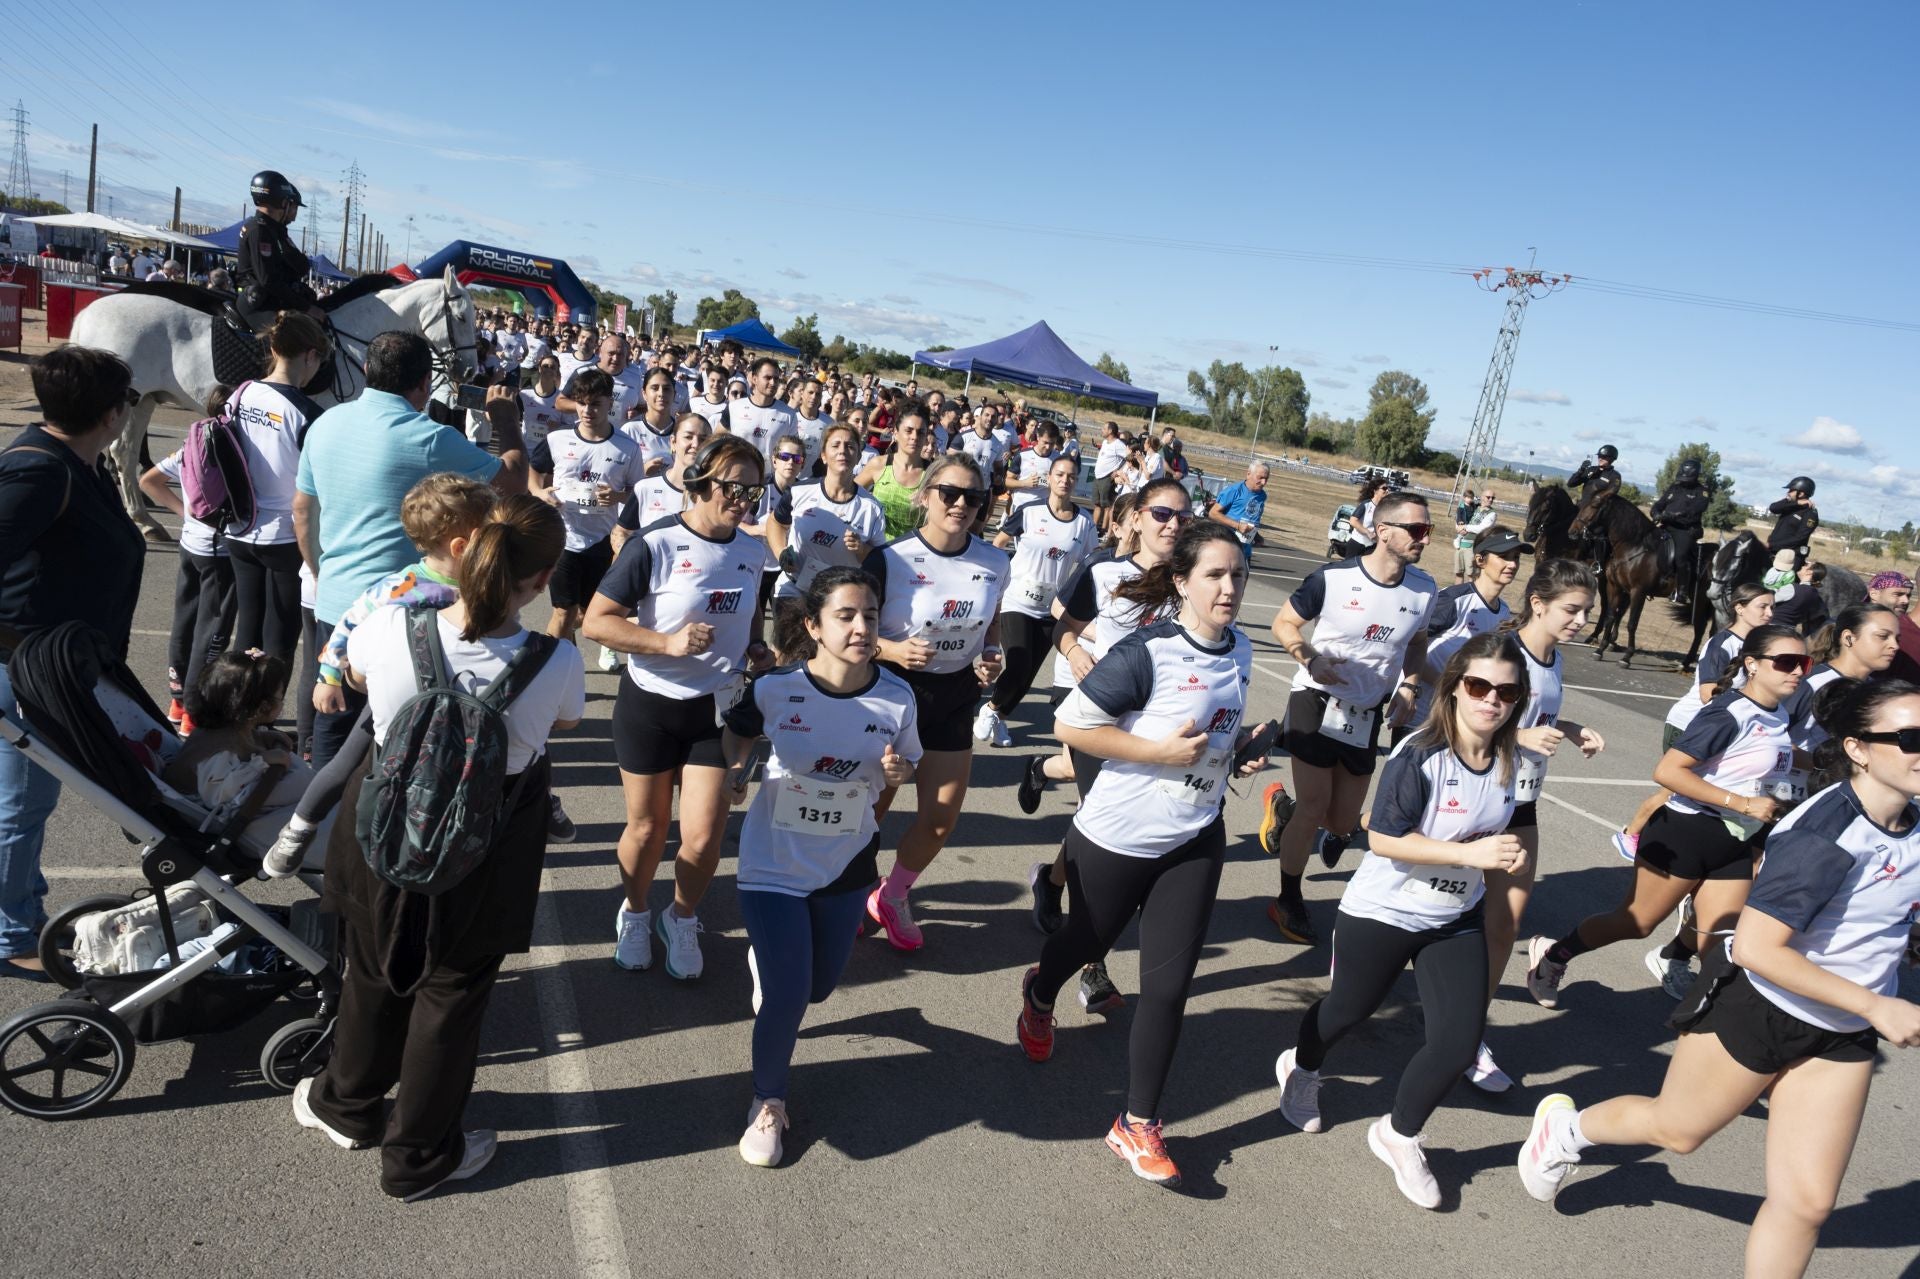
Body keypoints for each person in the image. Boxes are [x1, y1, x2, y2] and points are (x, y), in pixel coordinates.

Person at [1519, 680, 1920, 1279]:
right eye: (1912, 738)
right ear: (1859, 749)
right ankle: (1566, 1129)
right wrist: (1878, 1005)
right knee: (1677, 1131)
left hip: (1840, 1031)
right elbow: (1758, 947)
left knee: (1808, 1204)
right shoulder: (1825, 833)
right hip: (1760, 1006)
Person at [296, 495, 582, 1202]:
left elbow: (357, 682)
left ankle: (346, 1103)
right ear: (542, 580)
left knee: (369, 967)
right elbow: (565, 721)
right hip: (485, 846)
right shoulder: (557, 662)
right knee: (451, 996)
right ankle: (418, 1155)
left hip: (382, 831)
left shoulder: (392, 625)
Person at [1017, 521, 1267, 1187]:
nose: (1229, 586)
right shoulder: (1148, 651)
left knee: (1168, 986)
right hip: (1120, 834)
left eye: (1238, 574)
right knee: (1082, 941)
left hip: (1195, 834)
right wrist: (1157, 753)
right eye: (1214, 574)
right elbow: (1070, 726)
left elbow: (1211, 735)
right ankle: (1039, 991)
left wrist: (1240, 752)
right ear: (1181, 581)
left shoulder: (1241, 649)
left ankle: (1137, 1122)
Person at [1274, 632, 1530, 1208]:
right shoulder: (1420, 753)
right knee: (1348, 1009)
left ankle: (1399, 1134)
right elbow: (1384, 837)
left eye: (1507, 692)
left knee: (1458, 1041)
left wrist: (1504, 851)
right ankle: (1303, 1066)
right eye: (1479, 685)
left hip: (1453, 915)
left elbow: (1500, 825)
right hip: (1385, 909)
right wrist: (1472, 855)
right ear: (1456, 688)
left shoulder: (1515, 758)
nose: (1492, 699)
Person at [720, 567, 921, 1168]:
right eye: (845, 616)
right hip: (771, 863)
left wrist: (896, 777)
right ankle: (769, 1102)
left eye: (869, 615)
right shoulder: (777, 688)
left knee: (818, 988)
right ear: (812, 626)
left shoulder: (897, 696)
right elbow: (736, 734)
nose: (862, 628)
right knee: (786, 996)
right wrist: (736, 772)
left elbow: (905, 763)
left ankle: (771, 964)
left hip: (846, 865)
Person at [1525, 624, 1811, 1010]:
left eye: (1804, 663)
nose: (1797, 671)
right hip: (1685, 833)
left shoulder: (1777, 713)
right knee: (1636, 923)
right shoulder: (1728, 714)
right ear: (1753, 664)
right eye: (1786, 662)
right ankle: (1553, 956)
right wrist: (1742, 804)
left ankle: (1711, 1026)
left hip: (1734, 842)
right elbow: (1668, 772)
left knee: (1721, 943)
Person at [585, 435, 774, 980]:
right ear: (701, 482)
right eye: (732, 485)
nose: (743, 498)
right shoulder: (656, 543)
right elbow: (596, 622)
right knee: (647, 829)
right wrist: (666, 643)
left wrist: (756, 649)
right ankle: (636, 910)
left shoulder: (749, 549)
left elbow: (749, 614)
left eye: (753, 489)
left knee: (703, 835)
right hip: (650, 704)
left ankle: (682, 916)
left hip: (714, 711)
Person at [268, 474, 505, 875]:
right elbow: (347, 624)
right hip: (390, 704)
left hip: (449, 704)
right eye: (489, 536)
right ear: (462, 546)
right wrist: (327, 676)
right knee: (347, 764)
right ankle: (299, 828)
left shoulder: (481, 584)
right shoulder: (403, 588)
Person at [294, 332, 510, 769]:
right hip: (404, 611)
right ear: (424, 384)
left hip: (334, 600)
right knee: (399, 737)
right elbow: (511, 484)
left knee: (329, 726)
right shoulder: (431, 437)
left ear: (368, 372)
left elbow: (302, 510)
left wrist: (320, 570)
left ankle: (315, 815)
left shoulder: (325, 423)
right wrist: (506, 421)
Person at [0, 346, 145, 981]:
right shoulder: (40, 472)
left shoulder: (78, 464)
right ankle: (11, 933)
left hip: (54, 667)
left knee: (23, 806)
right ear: (112, 413)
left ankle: (17, 919)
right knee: (20, 808)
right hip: (26, 672)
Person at [1024, 477, 1194, 1005]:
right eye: (1163, 513)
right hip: (1102, 724)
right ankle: (1092, 964)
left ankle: (1051, 879)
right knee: (1110, 837)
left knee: (1096, 829)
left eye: (1183, 517)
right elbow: (1065, 624)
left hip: (1158, 733)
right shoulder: (1103, 570)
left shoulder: (1190, 580)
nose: (1173, 525)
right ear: (1137, 516)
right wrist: (1074, 653)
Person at [1268, 490, 1438, 943]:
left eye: (1428, 530)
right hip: (1316, 697)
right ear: (1383, 531)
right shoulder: (1334, 578)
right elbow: (1283, 624)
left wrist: (1409, 685)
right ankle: (1288, 898)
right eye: (1417, 529)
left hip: (1366, 712)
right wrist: (1309, 658)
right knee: (1314, 807)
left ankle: (1283, 810)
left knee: (1342, 823)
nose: (1425, 538)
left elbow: (1418, 643)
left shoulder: (1424, 589)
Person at [860, 455, 1007, 950]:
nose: (961, 504)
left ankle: (892, 895)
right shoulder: (890, 558)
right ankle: (847, 892)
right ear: (925, 495)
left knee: (941, 817)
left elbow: (992, 626)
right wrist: (893, 649)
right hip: (889, 693)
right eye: (949, 493)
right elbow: (850, 632)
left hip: (954, 696)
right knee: (869, 813)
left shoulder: (994, 562)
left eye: (973, 497)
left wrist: (992, 655)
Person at [1469, 559, 1604, 1092]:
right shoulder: (1502, 656)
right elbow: (1459, 721)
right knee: (1432, 910)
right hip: (1476, 796)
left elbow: (1536, 716)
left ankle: (1466, 1033)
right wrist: (1517, 739)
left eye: (1587, 612)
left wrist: (1568, 728)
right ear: (1539, 603)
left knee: (1506, 921)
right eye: (1572, 610)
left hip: (1520, 803)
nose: (1580, 620)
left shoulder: (1554, 660)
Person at [1613, 582, 1777, 863]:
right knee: (1675, 789)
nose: (1770, 613)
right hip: (1689, 726)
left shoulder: (1756, 647)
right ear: (1740, 608)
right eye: (1763, 606)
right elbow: (1707, 694)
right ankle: (1631, 835)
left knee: (1692, 794)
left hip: (1718, 732)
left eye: (1773, 607)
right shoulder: (1722, 643)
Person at [226, 313, 332, 667]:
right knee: (278, 643)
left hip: (239, 528)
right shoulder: (308, 414)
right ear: (312, 355)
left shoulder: (239, 395)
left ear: (273, 347)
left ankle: (235, 714)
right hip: (286, 539)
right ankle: (259, 716)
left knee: (246, 634)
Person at [975, 452, 1100, 748]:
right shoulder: (1030, 511)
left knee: (1027, 674)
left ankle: (1000, 718)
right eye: (1059, 474)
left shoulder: (1084, 522)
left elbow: (1090, 565)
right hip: (1017, 601)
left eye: (1071, 476)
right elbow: (998, 543)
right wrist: (994, 580)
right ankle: (990, 709)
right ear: (1050, 477)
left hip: (1052, 609)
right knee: (1018, 663)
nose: (1065, 480)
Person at [163, 651, 326, 854]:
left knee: (301, 775)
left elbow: (242, 746)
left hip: (236, 800)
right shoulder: (216, 750)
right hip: (217, 817)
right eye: (280, 696)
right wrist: (262, 761)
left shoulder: (229, 728)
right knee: (304, 783)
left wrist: (261, 739)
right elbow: (221, 794)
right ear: (261, 706)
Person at [529, 368, 645, 649]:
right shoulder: (557, 439)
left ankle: (557, 651)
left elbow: (639, 493)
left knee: (586, 613)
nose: (587, 410)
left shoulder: (626, 448)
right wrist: (540, 492)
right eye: (582, 403)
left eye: (595, 403)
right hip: (564, 539)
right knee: (563, 611)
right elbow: (534, 472)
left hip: (602, 543)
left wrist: (618, 496)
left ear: (609, 403)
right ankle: (546, 665)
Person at [139, 406, 236, 728]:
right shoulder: (233, 448)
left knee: (185, 619)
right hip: (219, 549)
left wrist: (186, 513)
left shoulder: (193, 443)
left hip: (190, 543)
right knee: (212, 630)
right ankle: (195, 711)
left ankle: (178, 699)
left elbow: (149, 480)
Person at [1400, 525, 1529, 746]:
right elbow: (1406, 645)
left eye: (1516, 558)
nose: (1513, 564)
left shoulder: (1504, 612)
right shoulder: (1454, 600)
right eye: (1504, 557)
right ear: (1480, 560)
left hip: (1462, 725)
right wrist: (1447, 685)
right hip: (1421, 718)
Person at [767, 422, 885, 646]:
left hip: (839, 600)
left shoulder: (871, 507)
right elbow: (775, 523)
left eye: (850, 446)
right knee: (786, 655)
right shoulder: (800, 491)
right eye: (836, 445)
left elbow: (880, 560)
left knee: (826, 662)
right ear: (823, 455)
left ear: (859, 456)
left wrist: (862, 550)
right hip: (795, 588)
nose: (843, 451)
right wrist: (781, 551)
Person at [232, 170, 322, 328]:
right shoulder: (259, 230)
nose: (292, 211)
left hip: (266, 299)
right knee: (291, 339)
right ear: (282, 202)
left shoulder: (270, 229)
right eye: (289, 202)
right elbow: (268, 280)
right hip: (256, 303)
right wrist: (307, 308)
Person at [855, 405, 934, 542]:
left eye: (921, 432)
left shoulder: (934, 474)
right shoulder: (879, 464)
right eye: (908, 431)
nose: (914, 437)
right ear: (896, 433)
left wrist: (931, 502)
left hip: (912, 554)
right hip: (875, 549)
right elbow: (849, 496)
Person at [1651, 459, 1711, 602]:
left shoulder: (1702, 491)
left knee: (1680, 556)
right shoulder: (1675, 487)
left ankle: (1682, 591)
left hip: (1685, 530)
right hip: (1666, 526)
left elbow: (1695, 510)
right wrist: (1655, 512)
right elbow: (1660, 503)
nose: (1684, 481)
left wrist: (1674, 515)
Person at [724, 357, 798, 463]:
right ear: (754, 379)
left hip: (770, 478)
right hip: (738, 475)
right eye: (767, 377)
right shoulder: (734, 407)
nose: (773, 382)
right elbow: (717, 438)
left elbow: (793, 450)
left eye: (776, 379)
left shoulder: (789, 414)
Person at [618, 364, 679, 476]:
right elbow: (618, 477)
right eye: (655, 388)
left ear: (674, 394)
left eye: (666, 389)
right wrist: (642, 472)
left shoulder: (682, 430)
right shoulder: (630, 430)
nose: (661, 394)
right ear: (644, 394)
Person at [1208, 462, 1269, 559]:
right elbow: (1213, 513)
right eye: (1260, 477)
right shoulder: (1233, 491)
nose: (1264, 482)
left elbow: (1251, 519)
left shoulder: (1262, 495)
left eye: (1266, 479)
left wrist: (1256, 536)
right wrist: (1237, 526)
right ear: (1248, 474)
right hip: (1226, 548)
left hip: (1245, 552)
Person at [1766, 477, 1820, 569]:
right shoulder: (1790, 505)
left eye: (1791, 490)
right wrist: (1796, 503)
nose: (1788, 492)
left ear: (1801, 493)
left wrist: (1772, 545)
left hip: (1791, 556)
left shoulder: (1810, 514)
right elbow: (1773, 508)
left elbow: (1799, 538)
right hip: (1773, 550)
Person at [1451, 489, 1498, 583]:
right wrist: (1458, 527)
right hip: (1461, 545)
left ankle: (1470, 595)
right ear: (1482, 497)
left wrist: (1465, 527)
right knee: (1458, 573)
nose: (1490, 500)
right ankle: (1457, 595)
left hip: (1474, 547)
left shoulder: (1492, 514)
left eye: (1493, 498)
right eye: (1488, 497)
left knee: (1471, 575)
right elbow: (1459, 517)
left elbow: (1482, 529)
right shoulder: (1473, 507)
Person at [1771, 561, 1829, 636]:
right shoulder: (1814, 594)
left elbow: (1768, 600)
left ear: (1809, 572)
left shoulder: (1792, 588)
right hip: (1789, 631)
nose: (1802, 567)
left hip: (1771, 628)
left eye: (1805, 565)